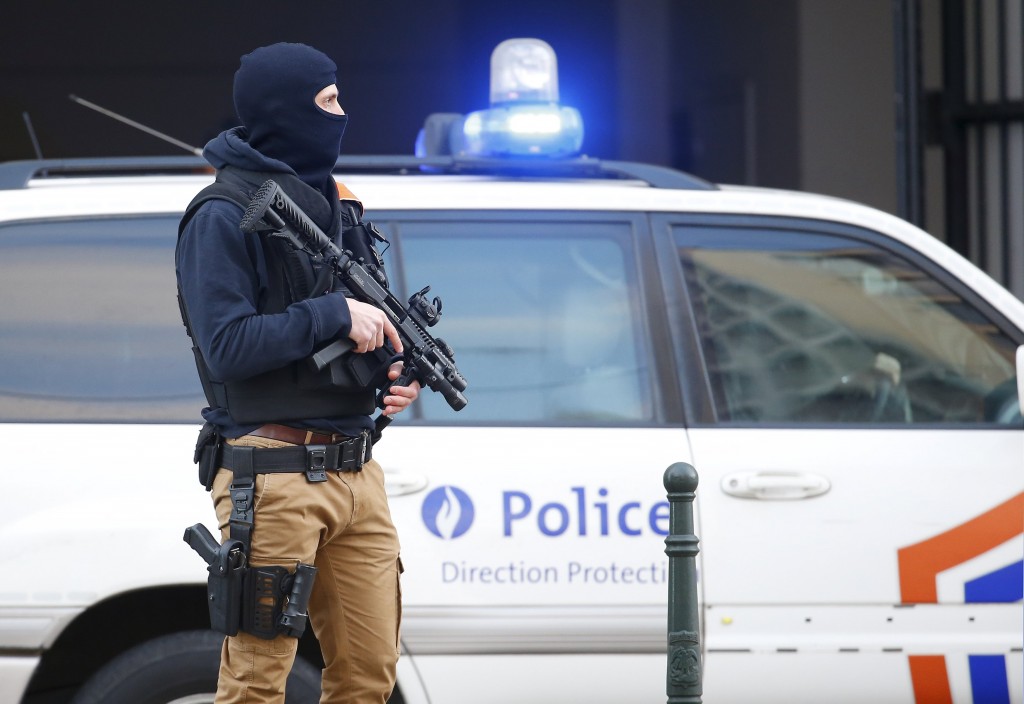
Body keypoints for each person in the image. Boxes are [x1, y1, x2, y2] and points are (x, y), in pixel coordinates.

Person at [175, 42, 419, 704]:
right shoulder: (222, 212)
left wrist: (395, 363)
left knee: (369, 677)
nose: (343, 112)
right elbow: (227, 345)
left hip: (356, 472)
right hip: (273, 472)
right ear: (285, 108)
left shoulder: (340, 205)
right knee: (256, 684)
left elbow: (373, 318)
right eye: (328, 100)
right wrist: (333, 314)